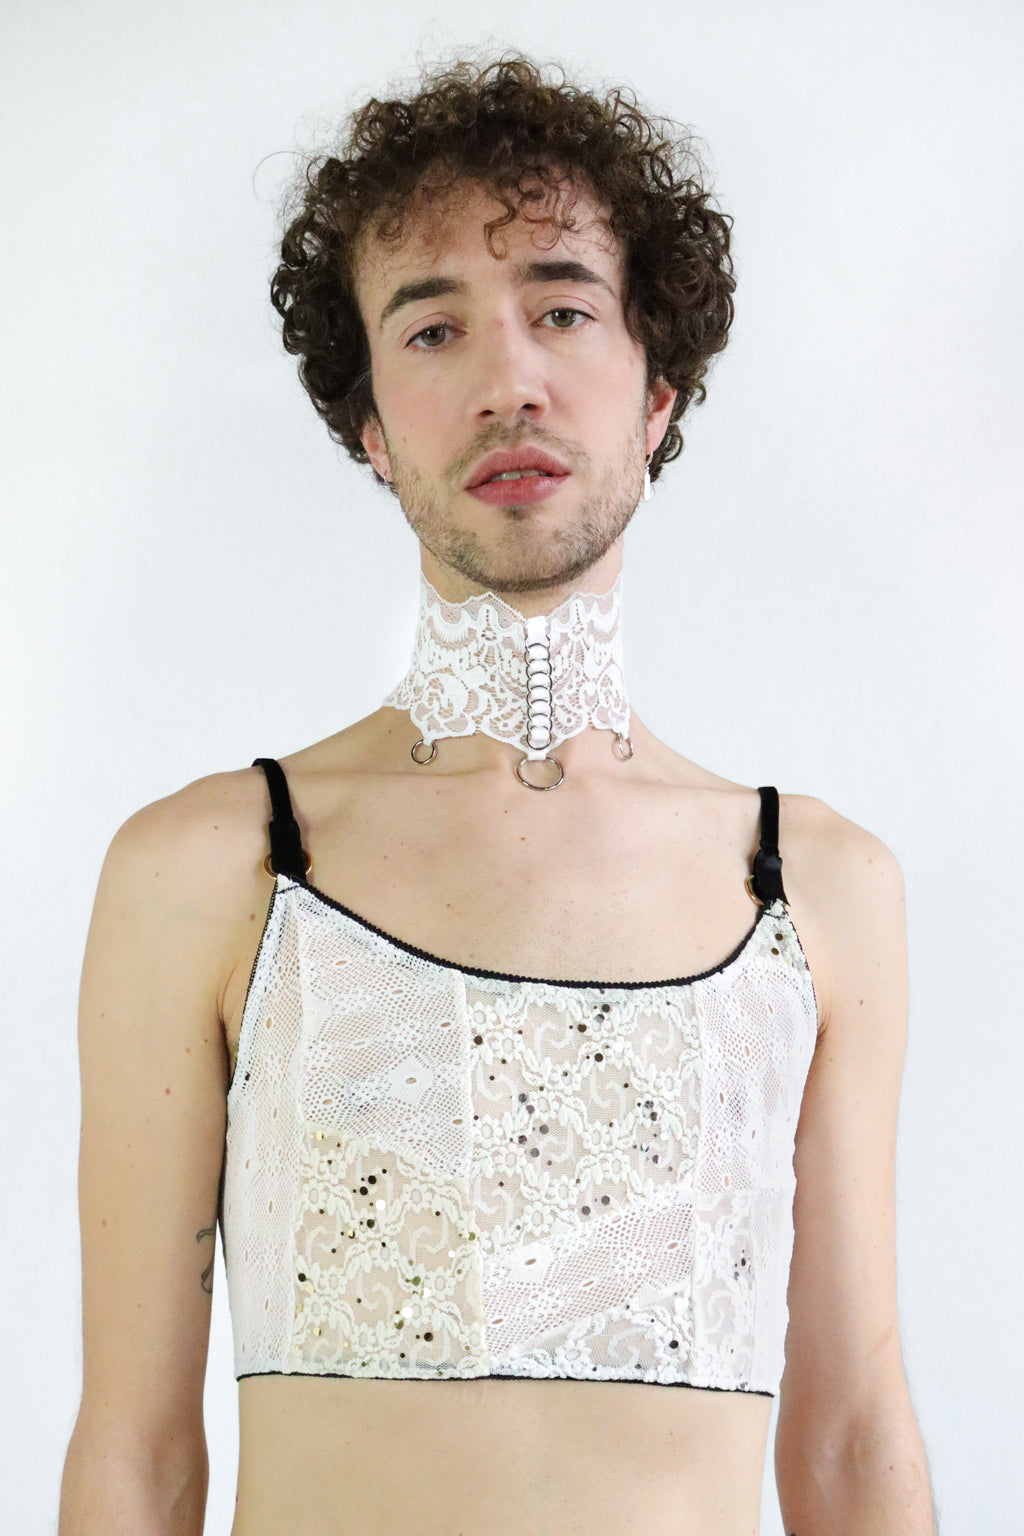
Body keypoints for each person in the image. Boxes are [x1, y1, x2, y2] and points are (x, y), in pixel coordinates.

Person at [59, 54, 935, 1536]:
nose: (508, 377)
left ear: (658, 393)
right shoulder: (211, 871)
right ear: (371, 425)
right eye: (434, 326)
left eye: (563, 308)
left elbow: (850, 1448)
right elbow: (139, 1455)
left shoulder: (817, 889)